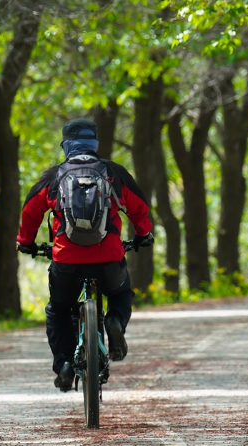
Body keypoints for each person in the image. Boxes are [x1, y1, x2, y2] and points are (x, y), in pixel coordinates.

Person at [16, 118, 154, 391]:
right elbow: (140, 209)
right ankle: (114, 321)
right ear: (95, 144)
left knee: (58, 310)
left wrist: (26, 242)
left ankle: (65, 365)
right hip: (108, 261)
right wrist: (142, 235)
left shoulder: (54, 176)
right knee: (121, 294)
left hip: (66, 262)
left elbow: (30, 212)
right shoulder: (113, 173)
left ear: (66, 145)